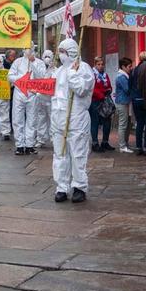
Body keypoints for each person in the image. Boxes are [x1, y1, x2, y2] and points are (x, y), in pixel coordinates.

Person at [51, 38, 94, 203]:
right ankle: (61, 187)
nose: (61, 55)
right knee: (60, 155)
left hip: (76, 121)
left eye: (64, 51)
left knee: (78, 155)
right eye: (60, 51)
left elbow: (82, 89)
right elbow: (53, 96)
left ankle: (79, 187)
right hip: (58, 121)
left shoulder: (83, 69)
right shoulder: (58, 71)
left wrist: (72, 73)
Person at [8, 46, 46, 155]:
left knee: (32, 119)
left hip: (33, 94)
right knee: (17, 118)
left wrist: (33, 62)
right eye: (26, 47)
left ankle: (30, 145)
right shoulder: (18, 62)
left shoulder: (39, 62)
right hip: (19, 93)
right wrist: (21, 80)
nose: (28, 49)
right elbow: (10, 76)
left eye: (30, 47)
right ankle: (19, 145)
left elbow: (42, 76)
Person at [89, 57, 113, 153]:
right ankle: (95, 143)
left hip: (105, 102)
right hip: (95, 101)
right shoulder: (92, 75)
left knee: (107, 122)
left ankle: (105, 142)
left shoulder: (105, 75)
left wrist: (109, 90)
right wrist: (101, 94)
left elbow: (109, 85)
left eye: (102, 64)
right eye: (98, 64)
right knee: (94, 122)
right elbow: (91, 88)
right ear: (95, 65)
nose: (101, 66)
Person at [130, 51, 146, 155]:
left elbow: (130, 85)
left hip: (136, 100)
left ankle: (138, 147)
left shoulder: (134, 70)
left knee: (139, 124)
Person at [34, 50, 55, 148]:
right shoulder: (38, 68)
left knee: (53, 119)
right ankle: (41, 139)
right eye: (45, 56)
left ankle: (54, 139)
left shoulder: (55, 70)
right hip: (40, 97)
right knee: (41, 119)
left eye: (49, 56)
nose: (47, 58)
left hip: (51, 98)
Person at [114, 57, 135, 153]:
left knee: (126, 124)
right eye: (129, 66)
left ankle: (125, 144)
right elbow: (127, 89)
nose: (131, 68)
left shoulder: (123, 75)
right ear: (123, 67)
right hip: (122, 103)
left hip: (125, 102)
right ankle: (122, 146)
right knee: (123, 124)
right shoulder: (121, 77)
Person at [4, 49, 17, 129]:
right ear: (8, 56)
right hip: (5, 89)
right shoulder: (4, 65)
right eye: (13, 55)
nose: (14, 57)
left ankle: (10, 125)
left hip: (13, 89)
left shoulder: (14, 64)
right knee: (4, 109)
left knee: (12, 108)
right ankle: (4, 127)